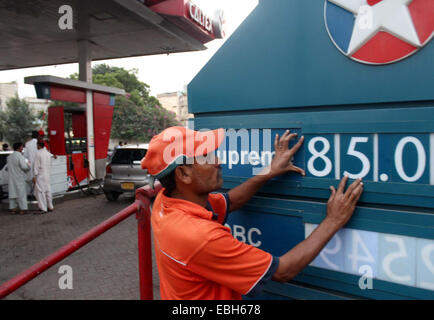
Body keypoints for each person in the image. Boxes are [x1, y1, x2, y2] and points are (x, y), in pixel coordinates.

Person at [141, 127, 364, 300]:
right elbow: (284, 271)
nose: (218, 161)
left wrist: (268, 171)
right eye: (206, 157)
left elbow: (230, 201)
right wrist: (334, 219)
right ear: (183, 174)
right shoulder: (199, 236)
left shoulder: (166, 201)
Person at [7, 142, 30, 214]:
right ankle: (23, 209)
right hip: (19, 177)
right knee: (21, 194)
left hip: (11, 178)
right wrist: (28, 166)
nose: (22, 148)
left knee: (12, 193)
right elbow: (24, 167)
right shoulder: (20, 156)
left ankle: (13, 208)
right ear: (19, 148)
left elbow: (8, 168)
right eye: (22, 147)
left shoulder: (9, 157)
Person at [32, 141, 54, 214]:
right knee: (48, 191)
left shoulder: (38, 153)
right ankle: (50, 206)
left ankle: (43, 208)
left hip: (40, 176)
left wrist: (34, 176)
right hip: (47, 175)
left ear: (38, 145)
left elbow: (36, 166)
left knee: (40, 192)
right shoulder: (48, 153)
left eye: (37, 145)